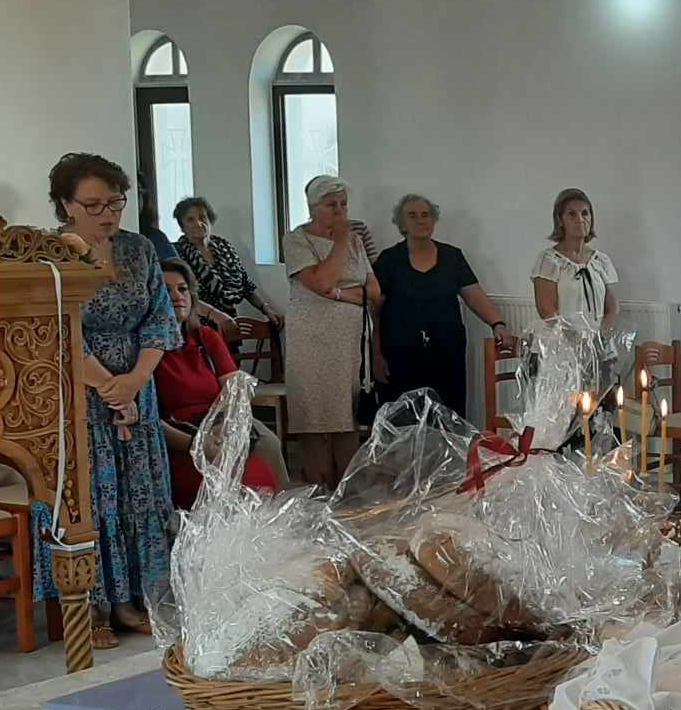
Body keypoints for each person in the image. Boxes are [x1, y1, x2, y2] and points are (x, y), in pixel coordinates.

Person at [37, 153, 181, 647]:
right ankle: (90, 606)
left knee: (140, 491)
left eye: (115, 203)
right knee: (93, 498)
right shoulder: (48, 255)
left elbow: (160, 318)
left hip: (137, 389)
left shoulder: (138, 250)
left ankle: (132, 600)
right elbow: (54, 331)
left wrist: (135, 380)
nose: (107, 214)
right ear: (65, 205)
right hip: (78, 392)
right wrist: (106, 385)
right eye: (93, 204)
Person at [154, 260, 281, 505]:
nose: (177, 296)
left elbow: (235, 390)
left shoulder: (205, 336)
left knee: (269, 446)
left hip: (222, 419)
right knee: (214, 472)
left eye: (182, 289)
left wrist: (225, 426)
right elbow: (152, 418)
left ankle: (281, 516)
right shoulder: (147, 348)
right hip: (178, 430)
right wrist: (198, 442)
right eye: (166, 290)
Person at [373, 194, 509, 418]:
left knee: (448, 417)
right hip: (400, 356)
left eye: (425, 215)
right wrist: (376, 355)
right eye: (412, 216)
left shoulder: (452, 256)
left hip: (447, 353)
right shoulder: (389, 260)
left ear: (433, 220)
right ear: (402, 224)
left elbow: (474, 295)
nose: (420, 220)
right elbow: (374, 311)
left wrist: (498, 324)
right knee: (403, 421)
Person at [283, 175, 380, 486]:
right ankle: (317, 489)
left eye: (343, 204)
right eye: (331, 205)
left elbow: (374, 292)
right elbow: (322, 281)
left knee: (346, 418)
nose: (339, 211)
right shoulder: (297, 240)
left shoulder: (355, 241)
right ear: (313, 208)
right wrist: (339, 244)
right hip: (311, 339)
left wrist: (338, 293)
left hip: (348, 341)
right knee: (313, 418)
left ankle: (346, 492)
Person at [174, 196, 285, 334]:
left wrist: (266, 309)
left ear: (210, 220)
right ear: (182, 227)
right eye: (190, 220)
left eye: (202, 217)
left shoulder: (225, 247)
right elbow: (183, 295)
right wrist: (215, 315)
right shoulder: (176, 252)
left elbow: (245, 284)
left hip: (229, 323)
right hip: (195, 326)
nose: (198, 223)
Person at [532, 187, 619, 333]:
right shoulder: (549, 260)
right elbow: (547, 310)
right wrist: (574, 339)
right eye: (572, 214)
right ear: (560, 220)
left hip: (596, 341)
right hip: (560, 341)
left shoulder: (601, 260)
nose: (580, 219)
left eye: (585, 213)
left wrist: (604, 331)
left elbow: (612, 307)